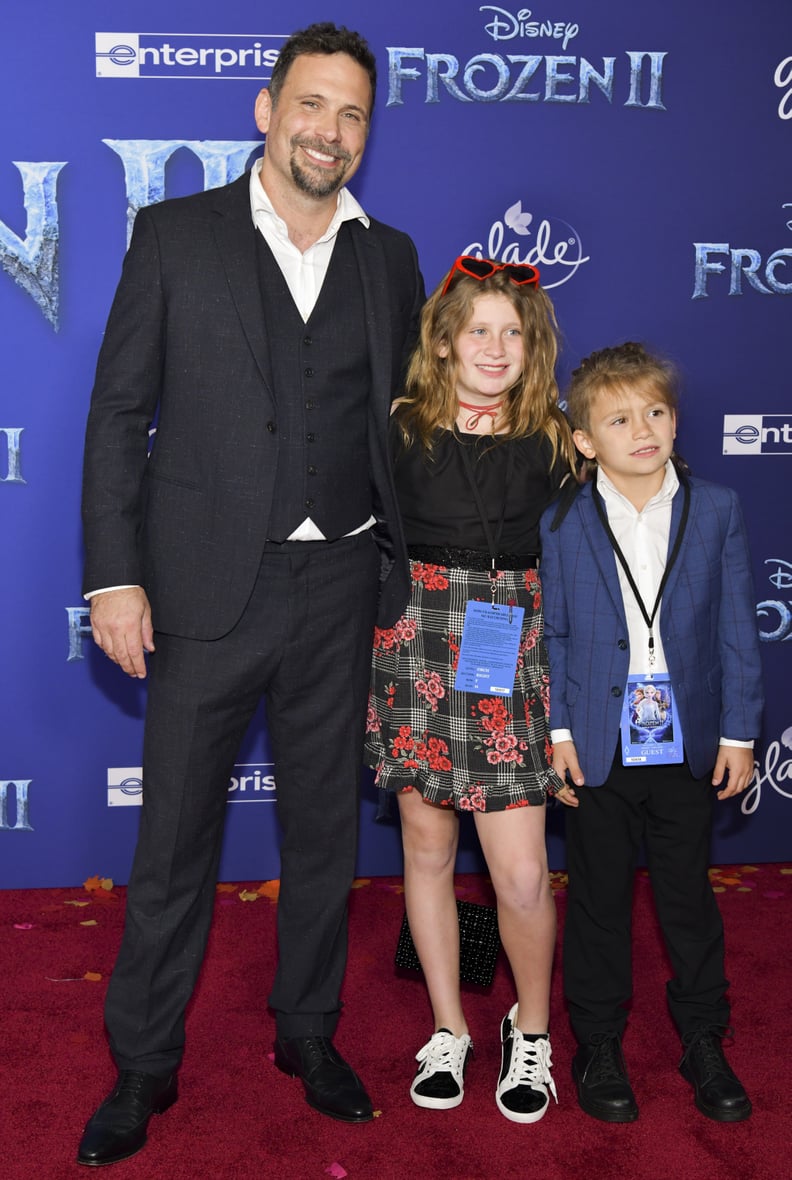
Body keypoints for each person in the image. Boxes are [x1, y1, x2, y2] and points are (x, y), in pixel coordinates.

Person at [77, 22, 424, 1167]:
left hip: (345, 589)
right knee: (173, 840)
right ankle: (142, 1063)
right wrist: (115, 575)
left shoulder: (392, 257)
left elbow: (409, 431)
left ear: (367, 134)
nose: (330, 131)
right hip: (202, 588)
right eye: (313, 106)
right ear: (267, 110)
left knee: (325, 835)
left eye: (354, 115)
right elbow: (119, 415)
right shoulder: (174, 236)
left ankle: (308, 1033)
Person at [365, 256, 576, 1122]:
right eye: (478, 330)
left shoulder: (559, 442)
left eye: (512, 333)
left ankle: (531, 1036)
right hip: (416, 641)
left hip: (514, 649)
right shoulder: (398, 430)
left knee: (522, 874)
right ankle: (448, 1026)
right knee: (425, 849)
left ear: (533, 350)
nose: (495, 347)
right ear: (444, 343)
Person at [540, 342, 762, 1124]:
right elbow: (555, 635)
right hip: (599, 741)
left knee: (686, 899)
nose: (644, 430)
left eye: (657, 412)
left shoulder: (718, 508)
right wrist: (558, 729)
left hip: (688, 743)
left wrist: (739, 731)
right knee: (598, 901)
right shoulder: (564, 520)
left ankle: (703, 1035)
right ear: (584, 439)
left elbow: (738, 625)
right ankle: (597, 1042)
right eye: (621, 418)